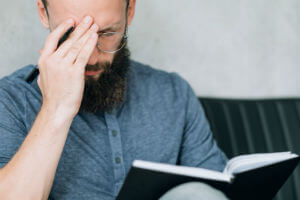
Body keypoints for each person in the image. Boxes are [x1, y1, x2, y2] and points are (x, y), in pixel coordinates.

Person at [0, 0, 228, 199]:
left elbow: (216, 190)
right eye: (72, 34)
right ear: (43, 12)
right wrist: (56, 109)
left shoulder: (174, 94)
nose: (90, 57)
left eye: (107, 34)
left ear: (130, 11)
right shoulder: (10, 101)